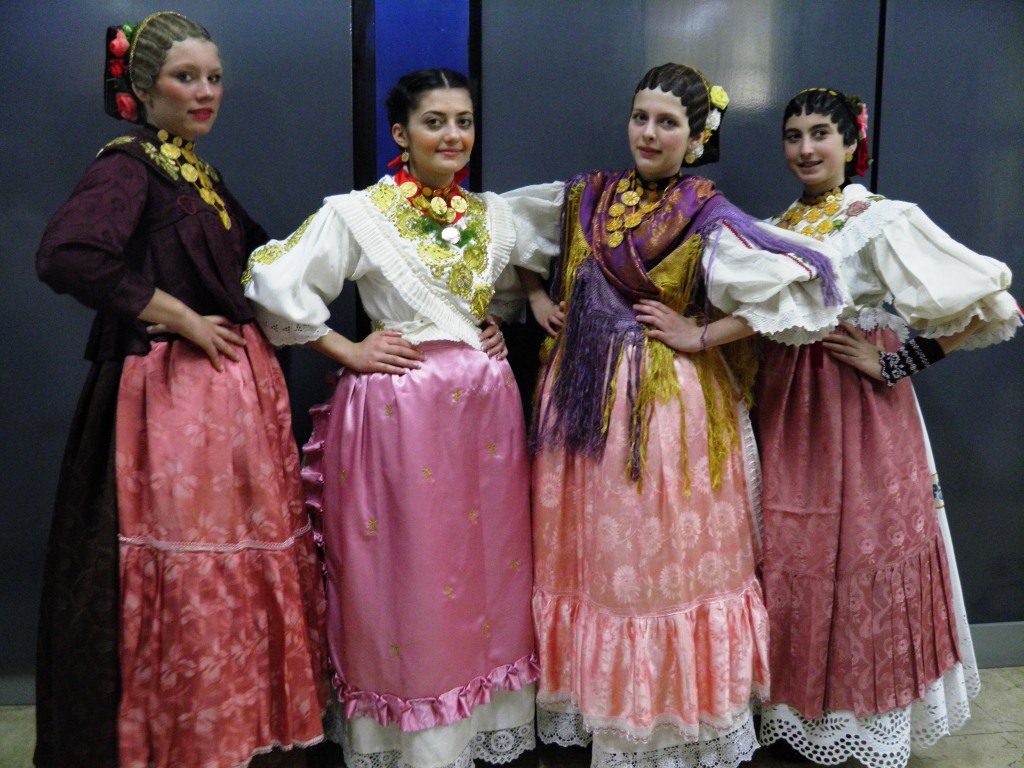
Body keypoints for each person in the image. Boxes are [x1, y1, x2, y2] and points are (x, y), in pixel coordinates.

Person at [509, 63, 847, 768]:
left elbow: (800, 288)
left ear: (695, 138)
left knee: (649, 559)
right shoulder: (586, 196)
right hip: (579, 401)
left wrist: (701, 335)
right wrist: (536, 297)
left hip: (661, 410)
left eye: (667, 123)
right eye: (641, 117)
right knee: (589, 557)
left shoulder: (707, 213)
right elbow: (501, 229)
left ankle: (664, 718)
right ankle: (598, 705)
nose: (649, 133)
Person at [35, 12, 327, 768]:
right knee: (187, 568)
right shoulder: (128, 167)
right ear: (144, 87)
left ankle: (226, 731)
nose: (205, 92)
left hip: (228, 411)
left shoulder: (193, 171)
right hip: (167, 408)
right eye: (185, 77)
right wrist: (182, 317)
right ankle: (173, 739)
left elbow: (265, 265)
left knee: (233, 567)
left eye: (214, 78)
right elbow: (68, 254)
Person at [242, 68, 539, 768]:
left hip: (486, 420)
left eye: (463, 121)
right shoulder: (361, 213)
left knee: (487, 564)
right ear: (401, 133)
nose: (453, 135)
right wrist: (348, 348)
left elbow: (499, 287)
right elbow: (273, 285)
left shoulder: (492, 215)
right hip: (404, 414)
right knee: (413, 570)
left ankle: (480, 718)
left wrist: (491, 324)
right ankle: (417, 738)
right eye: (435, 122)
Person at [755, 87, 1020, 768]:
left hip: (857, 416)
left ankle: (858, 716)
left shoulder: (877, 219)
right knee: (791, 548)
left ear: (851, 144)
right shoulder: (775, 225)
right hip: (786, 411)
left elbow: (988, 303)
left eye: (821, 134)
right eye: (793, 135)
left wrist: (896, 361)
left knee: (859, 552)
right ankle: (793, 711)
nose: (806, 148)